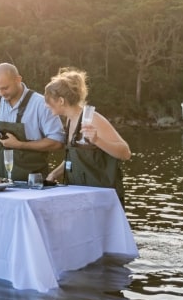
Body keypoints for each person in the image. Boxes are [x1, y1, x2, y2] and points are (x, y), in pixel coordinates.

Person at [43, 67, 131, 203]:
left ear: (61, 101)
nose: (46, 105)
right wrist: (54, 174)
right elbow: (74, 157)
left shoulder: (93, 119)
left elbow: (125, 153)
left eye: (48, 100)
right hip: (81, 197)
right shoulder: (70, 121)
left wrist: (97, 140)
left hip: (102, 200)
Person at [0, 63, 65, 181]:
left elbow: (57, 142)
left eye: (5, 88)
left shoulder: (41, 104)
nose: (1, 93)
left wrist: (20, 145)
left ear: (18, 79)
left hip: (32, 184)